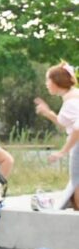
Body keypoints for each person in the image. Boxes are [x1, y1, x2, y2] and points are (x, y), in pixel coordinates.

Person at [35, 62, 79, 209]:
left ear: (56, 82)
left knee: (76, 182)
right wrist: (48, 113)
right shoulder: (72, 96)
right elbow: (64, 123)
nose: (46, 84)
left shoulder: (72, 102)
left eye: (48, 80)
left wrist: (62, 152)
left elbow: (77, 129)